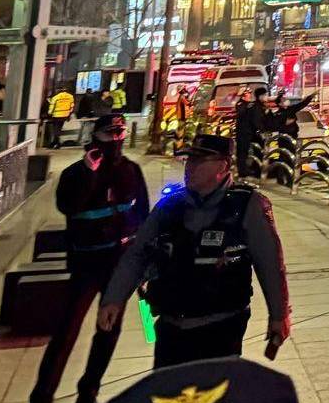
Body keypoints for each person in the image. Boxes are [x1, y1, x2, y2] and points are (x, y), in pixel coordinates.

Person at [98, 134, 290, 369]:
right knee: (167, 397)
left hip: (222, 326)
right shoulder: (170, 206)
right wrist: (114, 299)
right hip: (170, 326)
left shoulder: (247, 205)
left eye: (199, 161)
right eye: (189, 160)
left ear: (222, 166)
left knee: (213, 399)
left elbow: (270, 264)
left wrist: (278, 316)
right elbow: (138, 254)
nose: (190, 167)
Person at [23, 114, 148, 403]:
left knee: (108, 334)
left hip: (119, 265)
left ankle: (87, 396)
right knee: (65, 335)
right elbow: (69, 206)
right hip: (86, 263)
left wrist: (144, 267)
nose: (117, 139)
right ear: (97, 137)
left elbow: (143, 219)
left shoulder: (131, 172)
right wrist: (90, 174)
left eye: (121, 133)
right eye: (111, 133)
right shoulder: (75, 175)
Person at [232, 88, 269, 178]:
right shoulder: (240, 104)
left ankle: (246, 169)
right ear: (243, 95)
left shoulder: (249, 105)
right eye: (247, 94)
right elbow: (241, 113)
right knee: (242, 153)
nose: (249, 95)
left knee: (245, 152)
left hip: (248, 132)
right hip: (242, 133)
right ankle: (242, 171)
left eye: (249, 94)